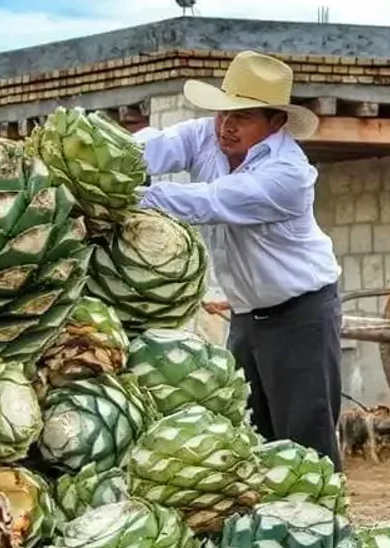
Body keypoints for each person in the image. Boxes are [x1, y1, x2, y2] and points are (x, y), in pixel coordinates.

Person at [132, 50, 344, 470]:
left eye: (243, 117)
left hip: (300, 315)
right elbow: (152, 147)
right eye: (223, 113)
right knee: (250, 436)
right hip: (247, 318)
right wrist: (102, 163)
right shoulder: (207, 136)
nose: (226, 125)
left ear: (276, 122)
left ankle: (325, 511)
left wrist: (129, 196)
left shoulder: (288, 175)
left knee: (305, 442)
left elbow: (210, 201)